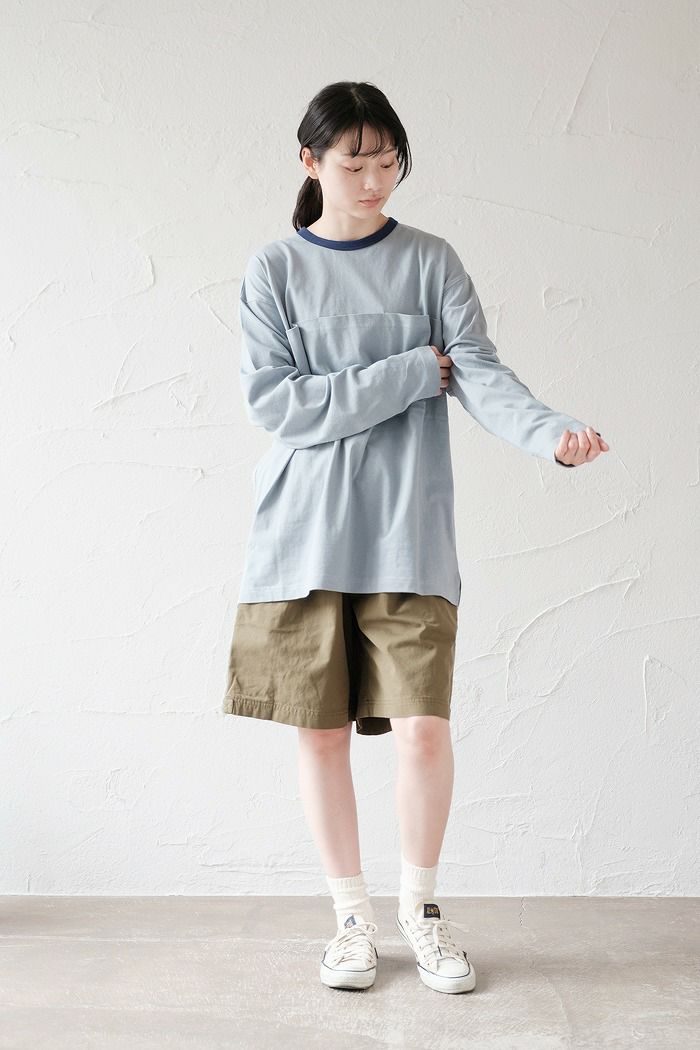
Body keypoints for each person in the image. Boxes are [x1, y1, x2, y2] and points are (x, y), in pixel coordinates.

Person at [223, 80, 610, 995]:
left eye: (389, 163)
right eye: (354, 163)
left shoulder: (431, 262)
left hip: (409, 534)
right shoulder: (273, 270)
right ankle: (350, 920)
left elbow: (479, 373)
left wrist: (550, 434)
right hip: (303, 538)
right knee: (321, 737)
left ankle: (420, 913)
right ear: (310, 162)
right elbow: (279, 405)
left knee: (425, 730)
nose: (374, 182)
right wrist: (407, 371)